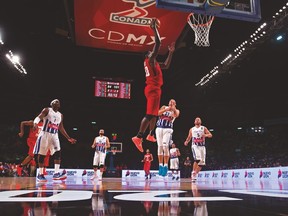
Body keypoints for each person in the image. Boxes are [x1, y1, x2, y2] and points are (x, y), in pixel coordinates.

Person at [132, 17, 175, 153]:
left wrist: (171, 52)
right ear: (148, 55)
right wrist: (154, 28)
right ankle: (138, 137)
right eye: (151, 52)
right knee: (150, 114)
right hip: (152, 89)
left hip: (154, 89)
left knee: (154, 113)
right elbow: (158, 43)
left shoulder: (154, 63)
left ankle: (150, 134)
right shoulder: (150, 60)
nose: (153, 52)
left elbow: (166, 65)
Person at [33, 99, 77, 182]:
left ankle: (56, 173)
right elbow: (39, 117)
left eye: (58, 102)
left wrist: (68, 138)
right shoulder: (47, 110)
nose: (57, 102)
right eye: (55, 101)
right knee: (42, 154)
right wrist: (35, 123)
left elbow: (61, 127)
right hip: (45, 134)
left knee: (58, 152)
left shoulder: (61, 115)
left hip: (55, 135)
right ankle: (40, 174)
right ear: (51, 104)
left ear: (59, 106)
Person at [156, 99, 180, 176]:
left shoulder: (176, 110)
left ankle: (166, 165)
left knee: (165, 146)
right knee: (160, 146)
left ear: (175, 104)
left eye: (173, 102)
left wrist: (173, 109)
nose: (171, 102)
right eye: (170, 101)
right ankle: (160, 165)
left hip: (168, 129)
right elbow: (158, 113)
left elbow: (176, 115)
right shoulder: (164, 107)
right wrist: (166, 109)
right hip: (159, 128)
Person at [184, 117, 212, 181]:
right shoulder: (192, 129)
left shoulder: (203, 128)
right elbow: (189, 137)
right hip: (195, 145)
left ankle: (195, 174)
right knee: (197, 158)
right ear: (194, 122)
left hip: (202, 146)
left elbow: (210, 135)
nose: (197, 120)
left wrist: (206, 135)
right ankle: (193, 171)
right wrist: (186, 141)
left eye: (198, 119)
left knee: (202, 163)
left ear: (200, 121)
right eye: (196, 119)